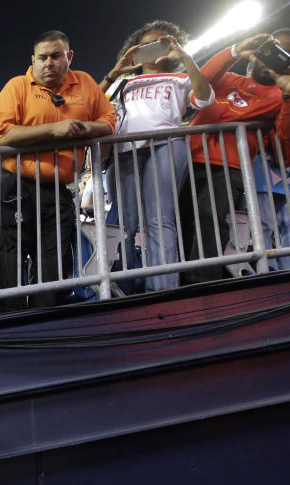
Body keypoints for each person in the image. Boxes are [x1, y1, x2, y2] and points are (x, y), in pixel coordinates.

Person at [0, 30, 116, 310]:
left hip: (58, 189)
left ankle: (46, 323)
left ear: (69, 57)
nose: (49, 63)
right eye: (42, 57)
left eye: (56, 56)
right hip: (16, 186)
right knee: (9, 260)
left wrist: (83, 127)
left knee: (54, 260)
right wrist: (54, 130)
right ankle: (8, 327)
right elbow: (0, 136)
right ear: (32, 60)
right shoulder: (17, 86)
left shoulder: (84, 83)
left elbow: (109, 121)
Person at [181, 29, 290, 284]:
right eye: (269, 48)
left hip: (229, 165)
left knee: (209, 215)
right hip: (187, 159)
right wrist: (233, 51)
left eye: (282, 53)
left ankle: (201, 283)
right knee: (182, 218)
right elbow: (196, 89)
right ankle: (179, 279)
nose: (270, 57)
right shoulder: (227, 78)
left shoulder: (286, 94)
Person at [100, 20, 214, 292]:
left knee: (159, 218)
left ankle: (162, 290)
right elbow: (91, 104)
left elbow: (205, 98)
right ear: (135, 51)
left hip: (166, 144)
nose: (155, 49)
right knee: (121, 222)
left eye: (163, 43)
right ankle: (121, 289)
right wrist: (115, 72)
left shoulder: (180, 78)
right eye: (148, 45)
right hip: (125, 151)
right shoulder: (121, 83)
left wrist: (185, 57)